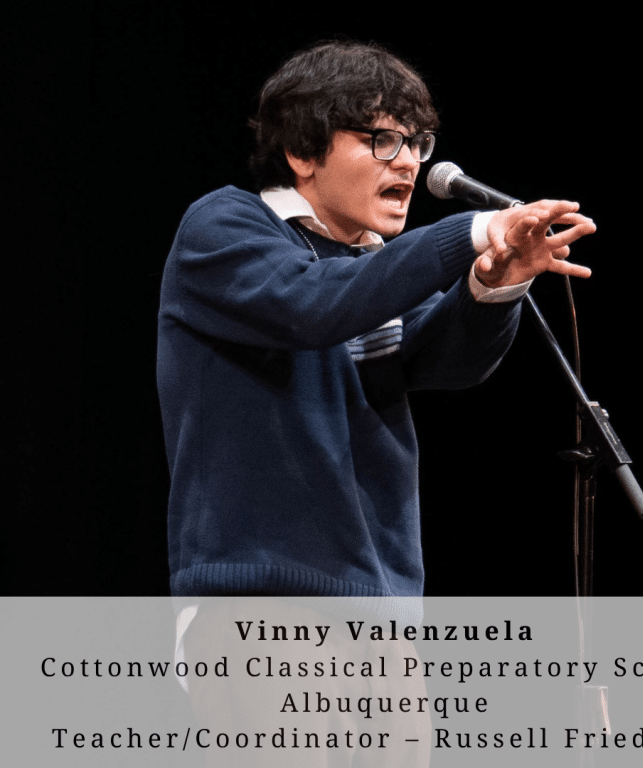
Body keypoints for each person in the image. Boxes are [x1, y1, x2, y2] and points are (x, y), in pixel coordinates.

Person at [156, 39, 595, 766]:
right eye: (381, 138)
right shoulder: (226, 229)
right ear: (303, 152)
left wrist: (496, 283)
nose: (409, 162)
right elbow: (312, 306)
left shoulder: (365, 265)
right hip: (263, 614)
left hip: (382, 623)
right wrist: (469, 232)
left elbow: (440, 359)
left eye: (417, 142)